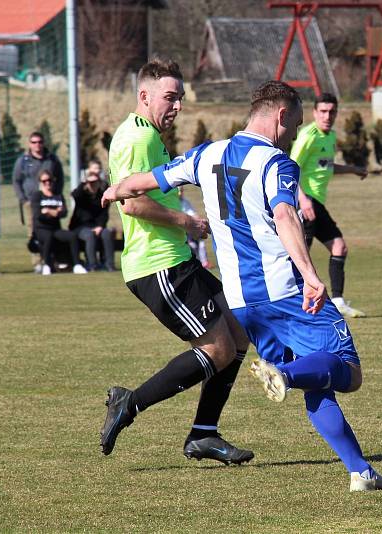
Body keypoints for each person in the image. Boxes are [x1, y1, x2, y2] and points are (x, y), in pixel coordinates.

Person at [103, 80, 382, 492]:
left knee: (317, 375)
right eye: (294, 125)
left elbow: (146, 182)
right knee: (347, 371)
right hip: (288, 292)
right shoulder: (278, 163)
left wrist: (117, 188)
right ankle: (284, 374)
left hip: (243, 302)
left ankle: (360, 472)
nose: (294, 134)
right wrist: (312, 276)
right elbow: (285, 217)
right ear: (280, 116)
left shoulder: (207, 153)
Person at [99, 58, 253, 466]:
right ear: (144, 95)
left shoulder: (146, 134)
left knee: (238, 334)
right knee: (218, 349)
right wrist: (185, 221)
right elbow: (132, 204)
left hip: (176, 260)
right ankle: (129, 403)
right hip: (158, 264)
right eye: (170, 97)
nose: (178, 106)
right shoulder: (137, 139)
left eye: (181, 98)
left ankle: (204, 434)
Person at [289, 93, 369, 318]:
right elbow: (290, 168)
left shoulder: (330, 136)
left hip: (317, 204)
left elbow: (325, 165)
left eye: (331, 111)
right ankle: (293, 304)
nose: (327, 116)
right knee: (298, 256)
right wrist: (302, 199)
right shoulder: (308, 135)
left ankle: (338, 301)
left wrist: (353, 169)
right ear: (314, 113)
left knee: (338, 247)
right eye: (323, 111)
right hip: (306, 202)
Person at [12, 131, 66, 272]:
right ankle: (38, 262)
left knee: (53, 230)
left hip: (50, 200)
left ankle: (51, 259)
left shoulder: (52, 159)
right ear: (29, 144)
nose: (37, 145)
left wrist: (57, 196)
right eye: (34, 142)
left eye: (40, 142)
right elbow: (16, 181)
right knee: (33, 232)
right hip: (32, 202)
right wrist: (23, 200)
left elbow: (60, 178)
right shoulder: (23, 161)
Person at [30, 169, 87, 275]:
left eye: (50, 180)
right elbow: (39, 215)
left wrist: (48, 211)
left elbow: (64, 212)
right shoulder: (37, 196)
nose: (47, 183)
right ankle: (46, 265)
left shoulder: (58, 195)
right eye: (44, 181)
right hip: (41, 229)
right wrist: (55, 211)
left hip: (55, 228)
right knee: (48, 237)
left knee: (72, 236)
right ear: (40, 182)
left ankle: (77, 264)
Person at [69, 168, 115, 271]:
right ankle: (92, 265)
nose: (92, 184)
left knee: (106, 233)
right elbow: (74, 195)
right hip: (80, 227)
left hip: (97, 226)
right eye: (90, 182)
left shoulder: (102, 196)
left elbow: (104, 214)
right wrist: (84, 182)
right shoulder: (82, 195)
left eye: (95, 182)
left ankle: (109, 265)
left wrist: (100, 226)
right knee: (89, 235)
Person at [179, 187, 212, 269]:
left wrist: (198, 222)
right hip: (182, 230)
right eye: (179, 191)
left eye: (182, 190)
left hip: (190, 227)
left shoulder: (185, 202)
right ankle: (196, 261)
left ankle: (204, 262)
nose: (180, 193)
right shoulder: (173, 203)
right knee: (191, 245)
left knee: (201, 242)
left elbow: (194, 214)